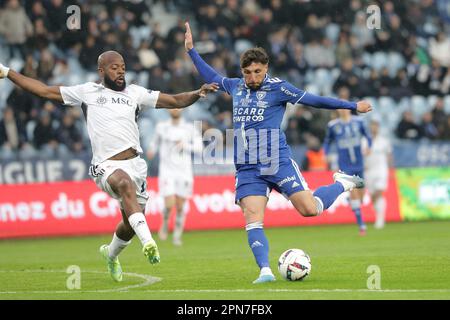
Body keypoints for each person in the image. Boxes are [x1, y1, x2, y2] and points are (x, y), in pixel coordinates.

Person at [0, 51, 218, 282]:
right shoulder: (87, 92)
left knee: (129, 224)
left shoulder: (136, 93)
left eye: (122, 66)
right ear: (101, 71)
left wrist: (198, 93)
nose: (120, 70)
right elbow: (43, 90)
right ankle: (149, 242)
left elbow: (174, 101)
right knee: (124, 185)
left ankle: (111, 255)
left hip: (136, 165)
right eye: (114, 67)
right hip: (105, 165)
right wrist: (6, 72)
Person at [184, 22, 373, 283]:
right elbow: (213, 77)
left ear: (266, 69)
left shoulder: (279, 88)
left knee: (309, 210)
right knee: (252, 217)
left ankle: (342, 183)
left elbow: (315, 100)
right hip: (248, 167)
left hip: (276, 161)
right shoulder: (236, 86)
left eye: (257, 71)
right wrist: (192, 51)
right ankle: (265, 271)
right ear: (242, 71)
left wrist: (352, 105)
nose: (252, 77)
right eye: (248, 72)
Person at [147, 108, 203, 246]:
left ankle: (177, 234)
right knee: (169, 203)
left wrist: (185, 145)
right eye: (172, 106)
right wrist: (152, 150)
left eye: (177, 106)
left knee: (179, 206)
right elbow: (155, 142)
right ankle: (165, 221)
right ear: (168, 109)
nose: (175, 109)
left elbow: (199, 147)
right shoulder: (162, 126)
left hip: (184, 171)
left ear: (182, 109)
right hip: (167, 170)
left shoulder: (189, 128)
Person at [323, 87, 372, 236]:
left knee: (361, 196)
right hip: (345, 165)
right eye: (340, 108)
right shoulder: (333, 126)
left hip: (359, 162)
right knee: (353, 192)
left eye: (345, 107)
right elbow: (327, 142)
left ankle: (355, 205)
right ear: (338, 110)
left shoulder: (359, 122)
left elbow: (368, 137)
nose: (343, 110)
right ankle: (361, 225)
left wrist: (369, 147)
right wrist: (325, 154)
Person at [363, 119, 393, 229]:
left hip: (381, 170)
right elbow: (361, 155)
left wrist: (391, 169)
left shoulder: (384, 141)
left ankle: (380, 220)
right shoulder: (365, 141)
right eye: (372, 126)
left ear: (378, 127)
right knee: (373, 196)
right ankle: (378, 216)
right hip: (369, 171)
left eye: (376, 126)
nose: (374, 128)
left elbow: (389, 156)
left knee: (379, 192)